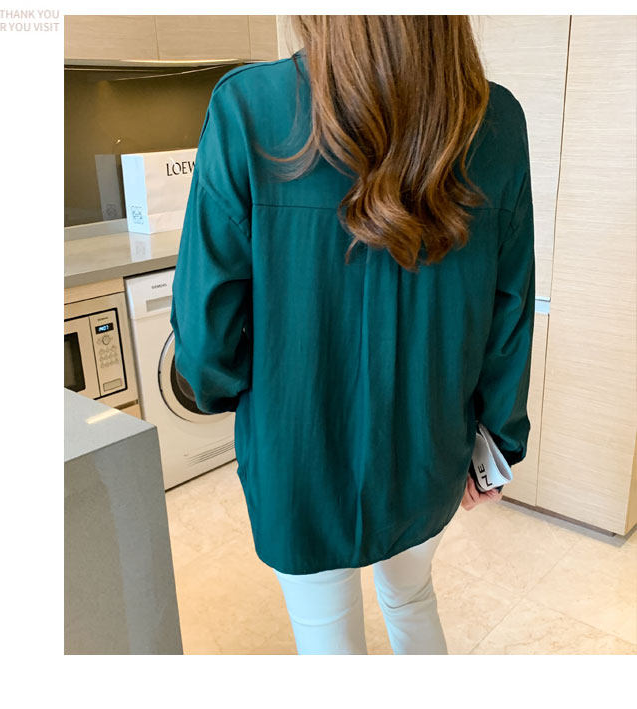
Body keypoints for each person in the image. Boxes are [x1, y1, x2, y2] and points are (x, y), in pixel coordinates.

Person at [170, 15, 535, 655]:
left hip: (296, 450)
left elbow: (206, 332)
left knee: (327, 639)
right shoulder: (496, 120)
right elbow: (512, 307)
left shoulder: (249, 107)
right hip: (428, 445)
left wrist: (220, 391)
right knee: (412, 599)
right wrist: (499, 441)